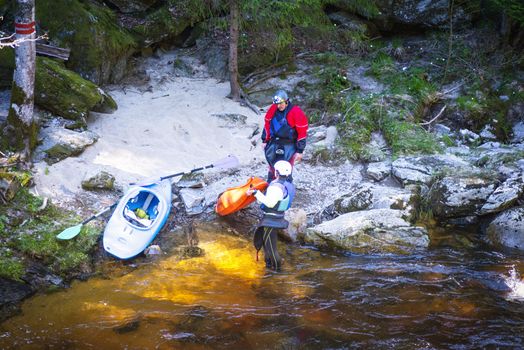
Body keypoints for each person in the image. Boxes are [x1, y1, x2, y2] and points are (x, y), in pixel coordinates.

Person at [247, 160, 295, 271]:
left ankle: (277, 272)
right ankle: (268, 268)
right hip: (277, 217)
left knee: (271, 248)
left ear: (277, 172)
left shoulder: (276, 187)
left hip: (271, 220)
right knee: (267, 245)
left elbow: (269, 203)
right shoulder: (289, 185)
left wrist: (255, 193)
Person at [262, 89, 308, 182]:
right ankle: (271, 186)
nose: (278, 106)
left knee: (286, 167)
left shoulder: (296, 111)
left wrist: (300, 150)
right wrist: (265, 140)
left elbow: (302, 132)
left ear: (286, 101)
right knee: (272, 167)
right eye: (277, 104)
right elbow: (267, 125)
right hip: (274, 142)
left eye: (281, 103)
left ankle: (286, 187)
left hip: (289, 144)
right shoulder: (273, 109)